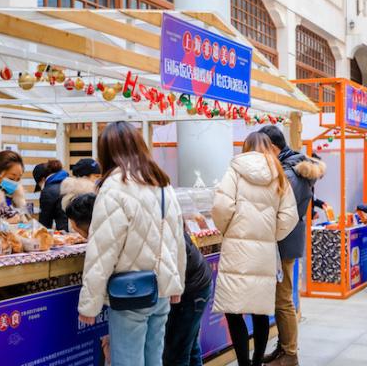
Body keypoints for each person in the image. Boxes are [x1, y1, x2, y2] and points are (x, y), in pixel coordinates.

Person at [78, 121, 186, 366]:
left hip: (131, 292)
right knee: (153, 359)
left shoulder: (114, 187)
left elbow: (102, 251)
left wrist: (89, 304)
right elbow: (177, 238)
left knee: (127, 361)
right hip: (161, 290)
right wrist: (176, 283)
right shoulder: (162, 184)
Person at [212, 131, 298, 366]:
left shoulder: (234, 171)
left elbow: (221, 206)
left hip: (236, 252)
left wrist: (228, 229)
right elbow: (290, 215)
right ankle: (258, 361)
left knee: (233, 310)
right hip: (264, 254)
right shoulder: (278, 174)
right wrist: (271, 234)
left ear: (246, 147)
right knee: (260, 311)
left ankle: (244, 363)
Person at [258, 126, 325, 366]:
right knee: (281, 296)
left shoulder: (290, 174)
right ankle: (283, 347)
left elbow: (280, 210)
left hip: (284, 242)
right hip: (286, 240)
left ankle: (289, 354)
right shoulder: (293, 167)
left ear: (273, 148)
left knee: (283, 298)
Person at [163, 232, 212, 366]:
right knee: (189, 347)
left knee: (176, 354)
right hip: (195, 284)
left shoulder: (160, 220)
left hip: (192, 289)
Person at [37, 160, 69, 231]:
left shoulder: (48, 191)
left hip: (65, 235)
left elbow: (44, 224)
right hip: (82, 233)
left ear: (42, 179)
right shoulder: (70, 183)